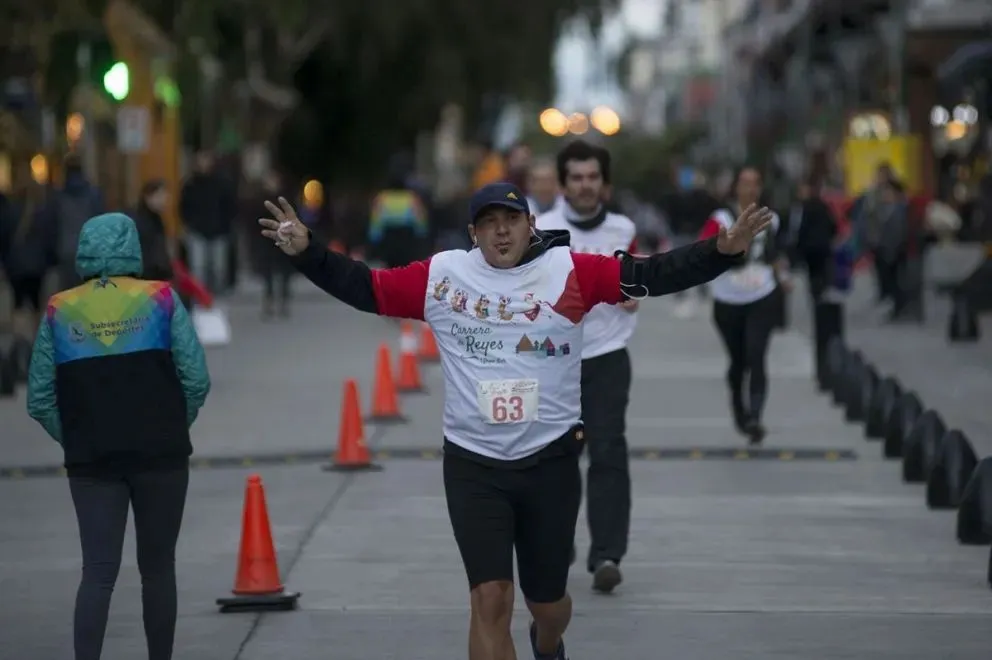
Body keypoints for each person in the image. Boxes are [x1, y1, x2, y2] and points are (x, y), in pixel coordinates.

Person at [260, 182, 771, 660]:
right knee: (490, 598)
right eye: (488, 223)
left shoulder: (569, 272)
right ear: (472, 234)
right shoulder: (443, 277)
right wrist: (308, 251)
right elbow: (366, 288)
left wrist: (721, 252)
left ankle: (547, 641)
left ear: (531, 225)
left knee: (548, 605)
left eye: (511, 219)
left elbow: (654, 273)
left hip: (549, 461)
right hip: (473, 465)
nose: (500, 231)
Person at [26, 212, 211, 660]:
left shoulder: (58, 309)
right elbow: (197, 379)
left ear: (85, 252)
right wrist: (169, 426)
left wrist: (75, 437)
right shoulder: (162, 299)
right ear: (133, 249)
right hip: (161, 457)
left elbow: (39, 398)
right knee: (158, 569)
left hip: (92, 461)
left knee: (98, 572)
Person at [535, 139, 637, 594]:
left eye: (593, 177)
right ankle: (557, 545)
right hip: (554, 362)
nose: (585, 185)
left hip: (607, 356)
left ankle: (607, 556)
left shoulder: (623, 228)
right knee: (556, 460)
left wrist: (631, 293)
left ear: (606, 184)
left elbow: (635, 292)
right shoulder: (541, 228)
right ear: (562, 184)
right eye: (576, 177)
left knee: (609, 452)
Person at [699, 166, 788, 445]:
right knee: (738, 360)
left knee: (756, 353)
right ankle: (739, 410)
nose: (750, 188)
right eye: (745, 183)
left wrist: (782, 275)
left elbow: (776, 254)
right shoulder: (721, 218)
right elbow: (703, 249)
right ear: (735, 187)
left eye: (756, 183)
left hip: (762, 294)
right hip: (728, 298)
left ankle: (755, 417)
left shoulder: (770, 220)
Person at [0, 164, 55, 354]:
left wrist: (5, 263)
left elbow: (4, 238)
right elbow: (49, 239)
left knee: (17, 304)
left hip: (15, 266)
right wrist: (49, 261)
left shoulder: (9, 211)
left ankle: (19, 342)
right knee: (37, 303)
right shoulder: (43, 212)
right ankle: (36, 341)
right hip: (37, 266)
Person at [179, 149, 237, 295]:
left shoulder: (222, 183)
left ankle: (217, 295)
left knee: (219, 268)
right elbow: (183, 206)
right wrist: (188, 224)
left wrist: (226, 225)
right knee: (198, 267)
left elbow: (231, 206)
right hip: (197, 231)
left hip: (219, 231)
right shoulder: (190, 184)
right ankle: (201, 296)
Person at [54, 153, 104, 291]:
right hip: (89, 252)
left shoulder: (58, 196)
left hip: (66, 253)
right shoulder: (93, 194)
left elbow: (54, 226)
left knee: (68, 295)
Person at [132, 179, 175, 282]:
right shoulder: (140, 221)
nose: (164, 199)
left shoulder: (157, 219)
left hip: (158, 275)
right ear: (148, 197)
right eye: (159, 195)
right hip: (146, 277)